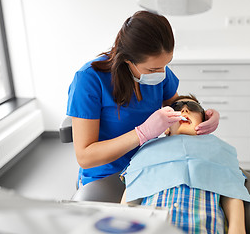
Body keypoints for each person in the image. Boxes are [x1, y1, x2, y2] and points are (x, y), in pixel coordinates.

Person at [66, 11, 220, 187]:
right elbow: (85, 157)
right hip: (106, 176)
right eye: (153, 70)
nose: (162, 74)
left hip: (151, 167)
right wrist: (141, 133)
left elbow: (178, 108)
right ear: (127, 60)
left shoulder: (158, 72)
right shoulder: (89, 80)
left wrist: (203, 115)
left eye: (165, 65)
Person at [120, 95, 250, 234]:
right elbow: (131, 193)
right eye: (176, 108)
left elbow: (233, 192)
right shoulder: (148, 150)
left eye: (193, 107)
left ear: (204, 122)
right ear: (166, 128)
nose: (184, 111)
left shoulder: (219, 150)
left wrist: (237, 229)